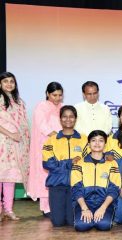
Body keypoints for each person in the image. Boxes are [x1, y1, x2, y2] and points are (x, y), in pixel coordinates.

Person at [42, 105, 88, 227]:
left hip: (77, 187)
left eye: (71, 117)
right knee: (57, 223)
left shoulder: (84, 139)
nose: (68, 119)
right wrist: (69, 163)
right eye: (65, 117)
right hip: (57, 185)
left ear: (75, 119)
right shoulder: (51, 140)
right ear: (60, 119)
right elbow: (48, 163)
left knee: (72, 222)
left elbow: (87, 162)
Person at [71, 130, 120, 232]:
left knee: (103, 225)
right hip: (84, 202)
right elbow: (76, 188)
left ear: (105, 144)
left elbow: (114, 188)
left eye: (101, 140)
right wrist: (84, 208)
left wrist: (103, 208)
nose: (97, 143)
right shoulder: (79, 163)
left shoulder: (112, 163)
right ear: (89, 144)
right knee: (82, 226)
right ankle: (87, 216)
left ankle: (101, 216)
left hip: (104, 202)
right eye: (94, 140)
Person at [28, 81, 63, 216]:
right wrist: (58, 136)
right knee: (45, 175)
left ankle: (56, 205)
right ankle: (46, 208)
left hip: (60, 148)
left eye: (60, 95)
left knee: (57, 175)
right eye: (54, 95)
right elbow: (43, 125)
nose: (57, 98)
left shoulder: (62, 107)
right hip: (45, 146)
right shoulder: (41, 106)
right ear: (48, 94)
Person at [0, 72, 30, 221]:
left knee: (10, 178)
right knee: (0, 176)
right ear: (0, 84)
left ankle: (8, 209)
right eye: (5, 81)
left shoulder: (19, 102)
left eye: (12, 81)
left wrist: (23, 140)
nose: (9, 84)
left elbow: (24, 125)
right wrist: (10, 135)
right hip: (2, 144)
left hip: (16, 147)